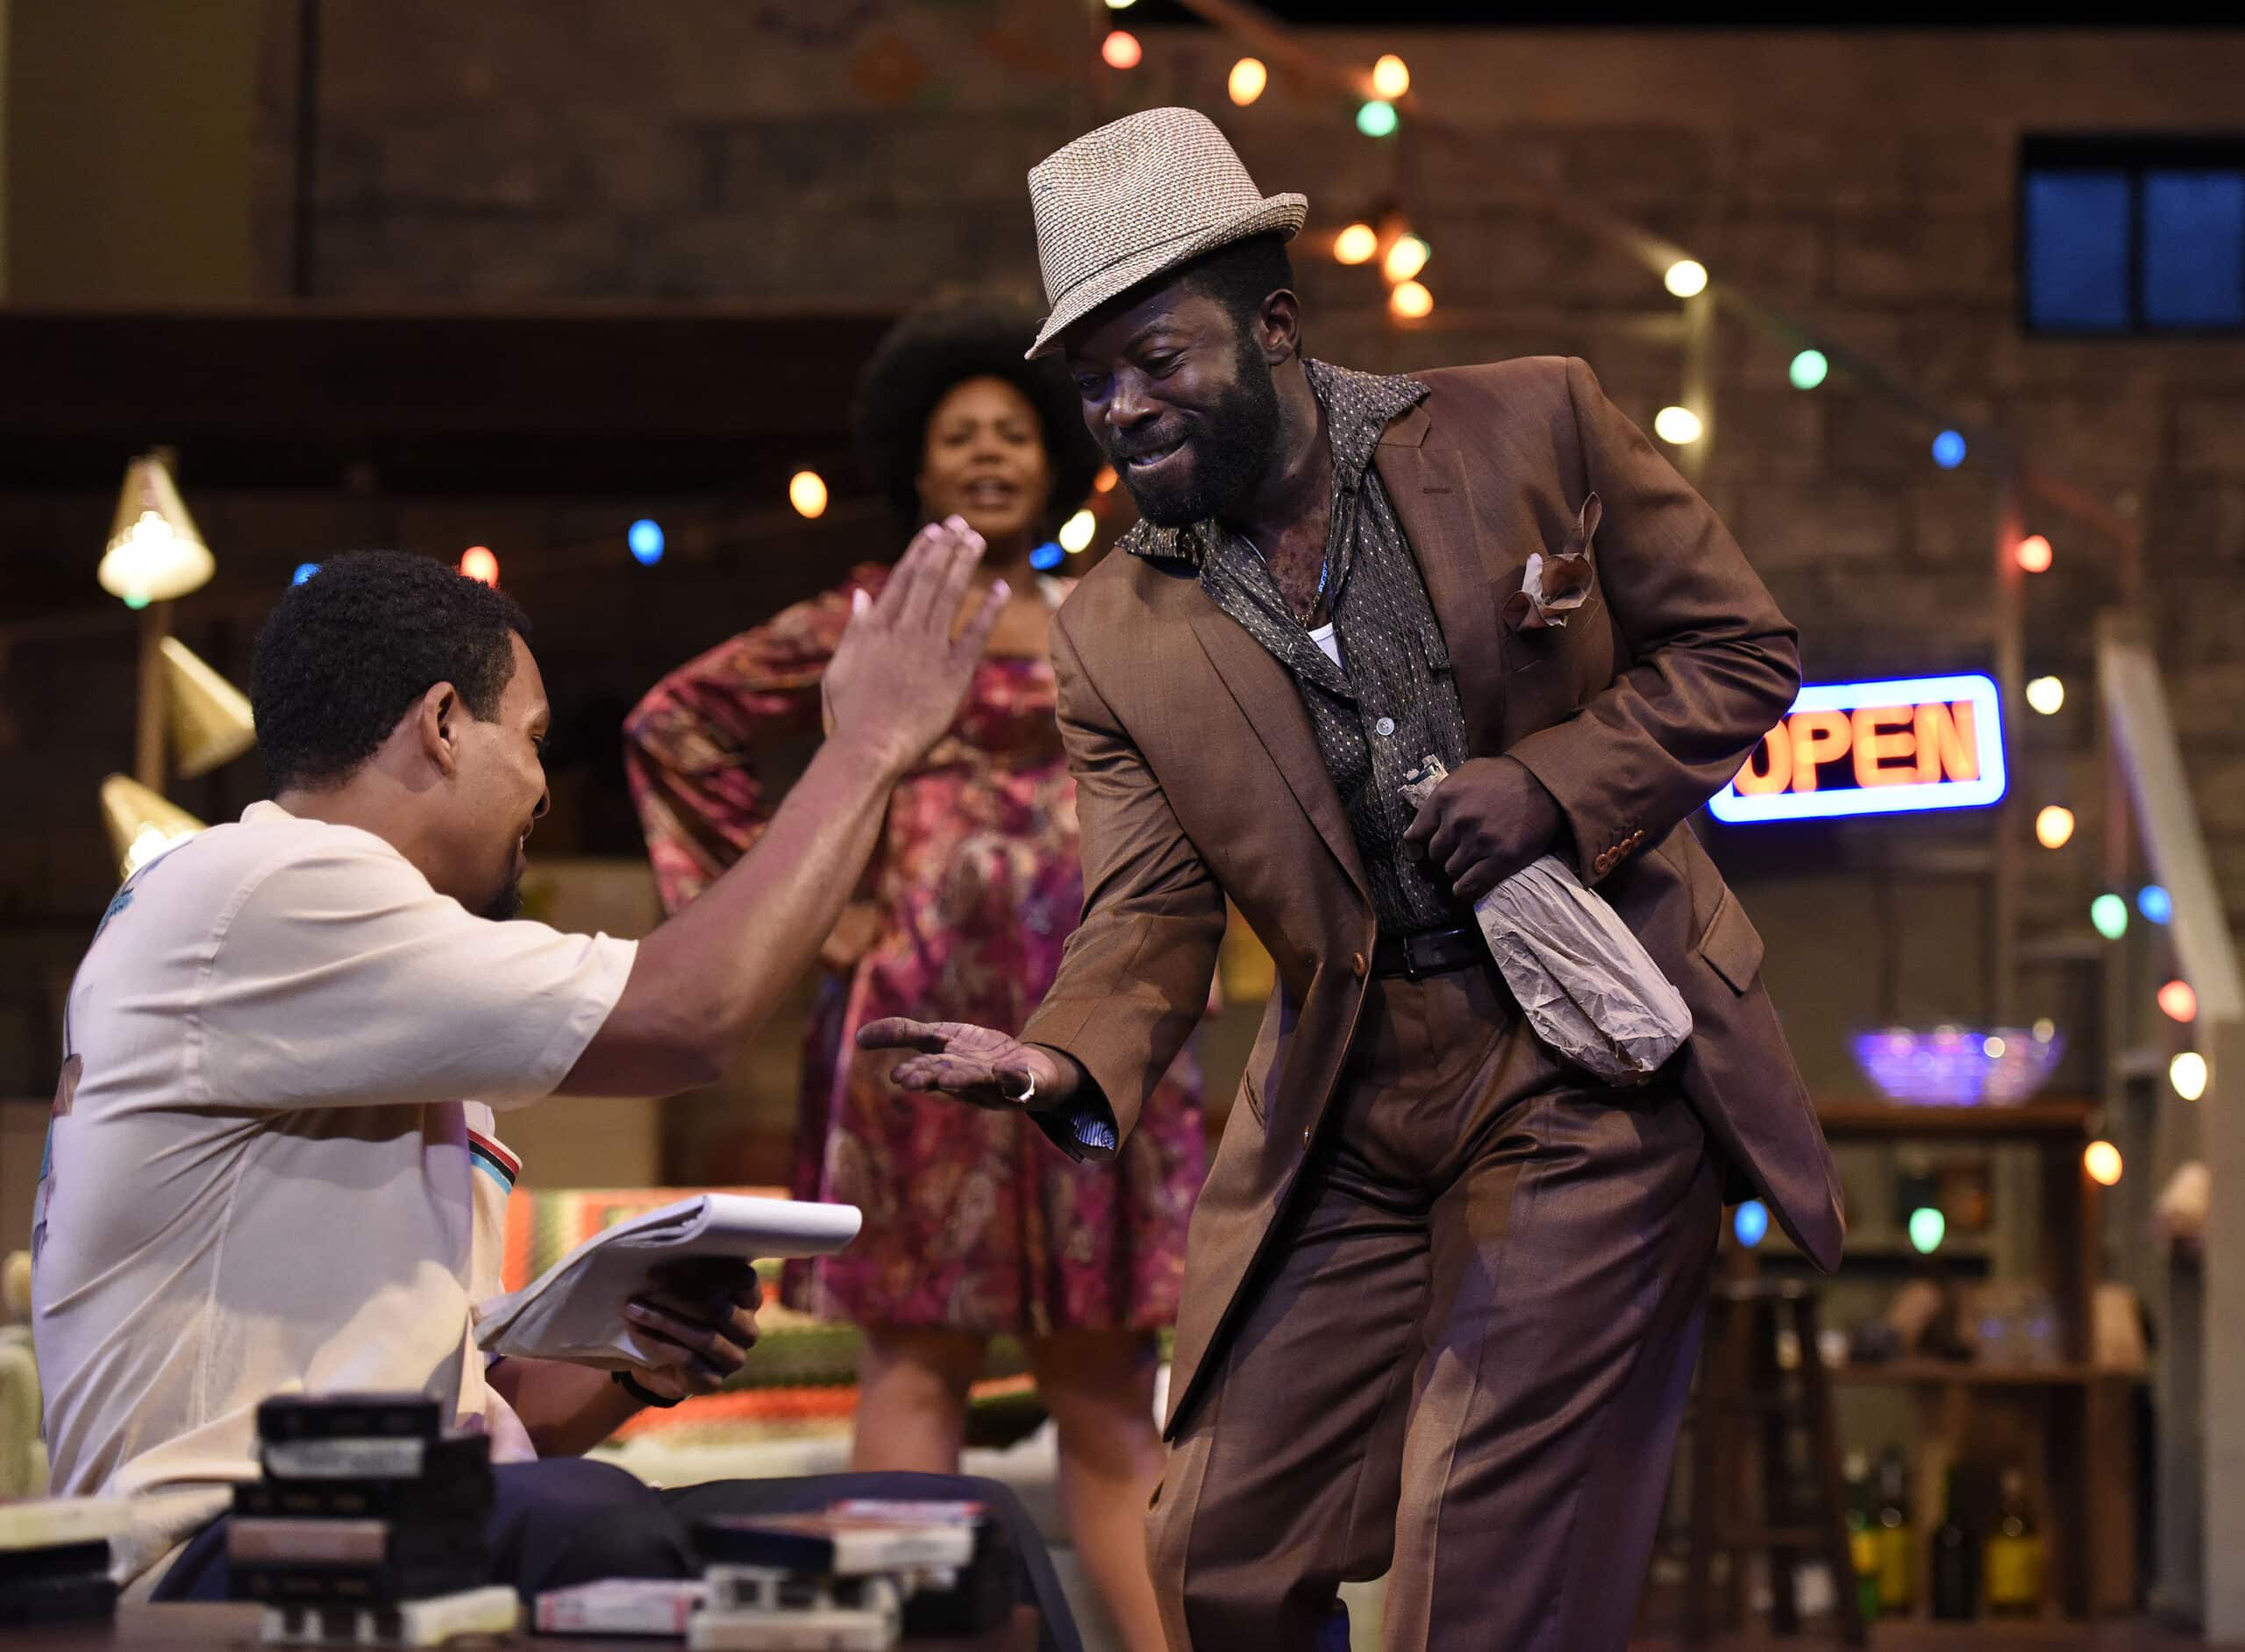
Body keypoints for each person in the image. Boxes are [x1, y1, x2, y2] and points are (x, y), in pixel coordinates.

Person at [860, 109, 1845, 1651]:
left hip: (1588, 1052)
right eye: (1094, 379)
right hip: (1355, 1090)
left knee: (1473, 1554)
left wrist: (1554, 785)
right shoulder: (1114, 625)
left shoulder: (1532, 423)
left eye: (1158, 359)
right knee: (1216, 1555)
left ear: (1271, 324)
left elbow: (1739, 647)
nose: (1121, 408)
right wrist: (1064, 1051)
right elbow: (1149, 910)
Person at [30, 544, 1084, 1650]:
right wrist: (869, 746)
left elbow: (485, 1424)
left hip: (402, 1522)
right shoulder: (263, 888)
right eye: (531, 742)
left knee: (969, 1534)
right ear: (442, 723)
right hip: (214, 1548)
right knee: (586, 1527)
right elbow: (689, 1016)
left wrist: (636, 1361)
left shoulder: (380, 996)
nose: (543, 788)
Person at [624, 301, 1198, 1652]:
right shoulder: (866, 618)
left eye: (1013, 432)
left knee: (1107, 1376)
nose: (991, 455)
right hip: (915, 1029)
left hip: (1082, 1015)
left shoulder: (1110, 613)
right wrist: (802, 912)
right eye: (960, 438)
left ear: (1054, 458)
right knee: (917, 1356)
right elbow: (675, 722)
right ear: (918, 466)